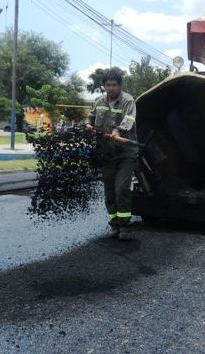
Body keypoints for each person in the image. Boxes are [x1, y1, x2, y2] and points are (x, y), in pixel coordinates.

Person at [86, 70, 138, 241]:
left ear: (120, 85)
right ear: (104, 86)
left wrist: (117, 131)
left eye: (114, 85)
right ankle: (114, 224)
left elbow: (128, 120)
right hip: (106, 153)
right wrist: (88, 125)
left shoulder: (128, 101)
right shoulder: (99, 102)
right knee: (109, 191)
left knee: (121, 189)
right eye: (108, 85)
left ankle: (125, 226)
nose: (111, 88)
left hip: (125, 153)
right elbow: (91, 118)